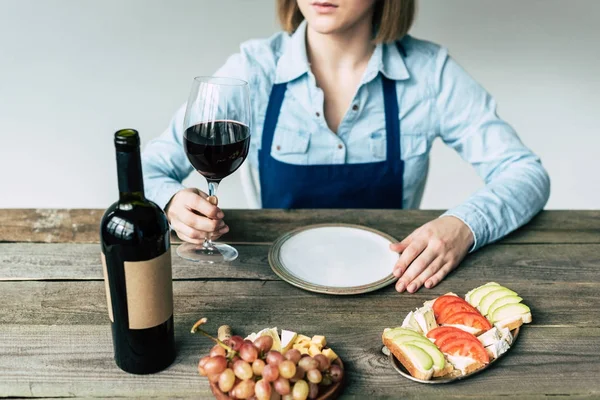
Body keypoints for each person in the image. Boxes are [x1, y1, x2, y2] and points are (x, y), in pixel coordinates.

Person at [142, 0, 550, 293]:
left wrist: (463, 226)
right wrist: (172, 202)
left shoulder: (430, 73)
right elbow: (149, 169)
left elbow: (526, 173)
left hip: (397, 291)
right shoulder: (254, 69)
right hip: (268, 291)